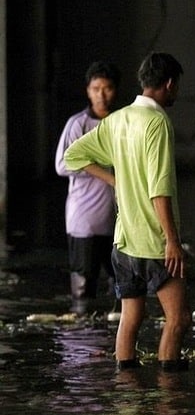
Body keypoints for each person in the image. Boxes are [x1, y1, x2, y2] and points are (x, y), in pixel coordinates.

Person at [64, 52, 191, 372]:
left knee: (131, 318)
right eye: (176, 88)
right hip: (153, 241)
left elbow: (72, 156)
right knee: (178, 318)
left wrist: (114, 179)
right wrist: (172, 241)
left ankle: (127, 397)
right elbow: (159, 189)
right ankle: (167, 397)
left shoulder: (118, 119)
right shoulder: (157, 122)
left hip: (123, 241)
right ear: (170, 84)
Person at [54, 61, 121, 314]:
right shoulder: (78, 124)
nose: (101, 95)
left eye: (107, 88)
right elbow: (62, 165)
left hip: (116, 220)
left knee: (122, 285)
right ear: (88, 91)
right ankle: (83, 346)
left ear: (115, 90)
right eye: (96, 88)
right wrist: (103, 172)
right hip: (84, 220)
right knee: (83, 291)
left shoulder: (120, 123)